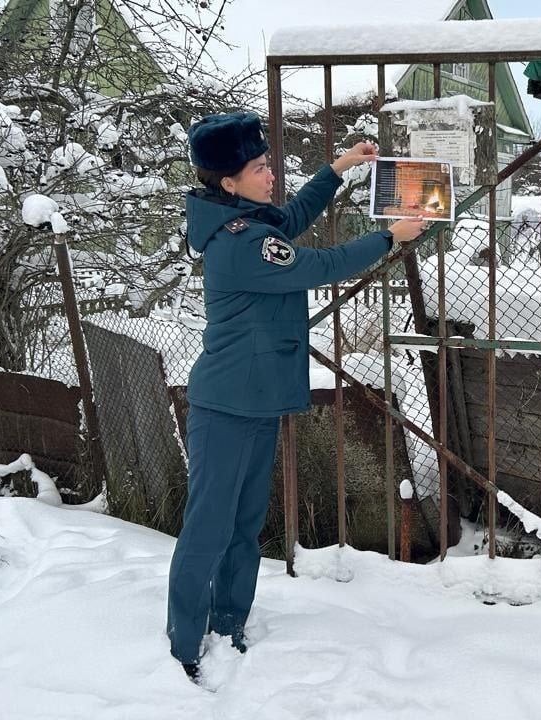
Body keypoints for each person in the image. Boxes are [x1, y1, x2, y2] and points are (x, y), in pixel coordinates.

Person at [167, 111, 425, 684]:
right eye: (259, 168)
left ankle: (229, 623)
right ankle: (185, 644)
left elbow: (293, 217)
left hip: (254, 403)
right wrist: (389, 236)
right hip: (226, 406)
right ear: (228, 182)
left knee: (243, 522)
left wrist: (338, 169)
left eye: (268, 164)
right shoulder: (241, 243)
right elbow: (321, 264)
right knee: (209, 525)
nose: (270, 175)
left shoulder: (248, 220)